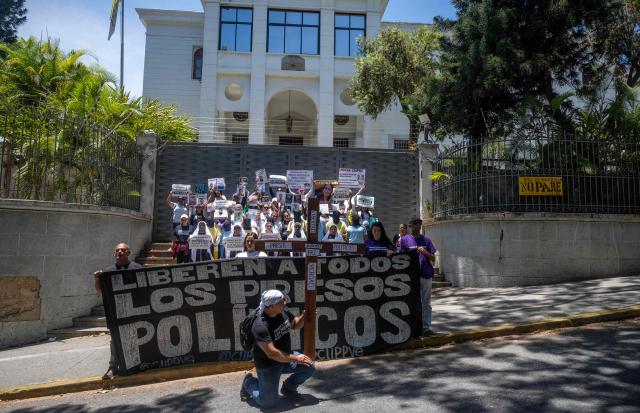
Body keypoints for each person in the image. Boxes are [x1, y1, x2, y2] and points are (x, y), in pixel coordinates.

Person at [241, 290, 315, 408]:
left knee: (309, 366)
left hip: (285, 358)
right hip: (269, 365)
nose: (285, 302)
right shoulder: (260, 325)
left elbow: (294, 324)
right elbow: (272, 354)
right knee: (268, 403)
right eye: (282, 301)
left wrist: (304, 317)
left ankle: (288, 389)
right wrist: (296, 358)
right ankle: (248, 383)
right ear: (271, 306)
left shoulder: (281, 310)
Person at [92, 243, 142, 379]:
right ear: (115, 253)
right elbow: (99, 291)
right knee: (115, 339)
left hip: (134, 310)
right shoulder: (107, 272)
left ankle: (137, 364)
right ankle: (112, 367)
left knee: (136, 337)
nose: (120, 252)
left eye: (123, 250)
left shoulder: (137, 268)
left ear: (129, 252)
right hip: (115, 312)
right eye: (117, 250)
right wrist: (97, 280)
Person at [399, 217, 437, 336]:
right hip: (411, 277)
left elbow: (434, 259)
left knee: (426, 303)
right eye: (415, 224)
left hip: (425, 275)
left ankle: (426, 329)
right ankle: (413, 329)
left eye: (419, 224)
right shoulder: (405, 240)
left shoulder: (426, 240)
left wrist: (424, 252)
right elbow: (400, 257)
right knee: (412, 303)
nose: (418, 226)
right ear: (410, 226)